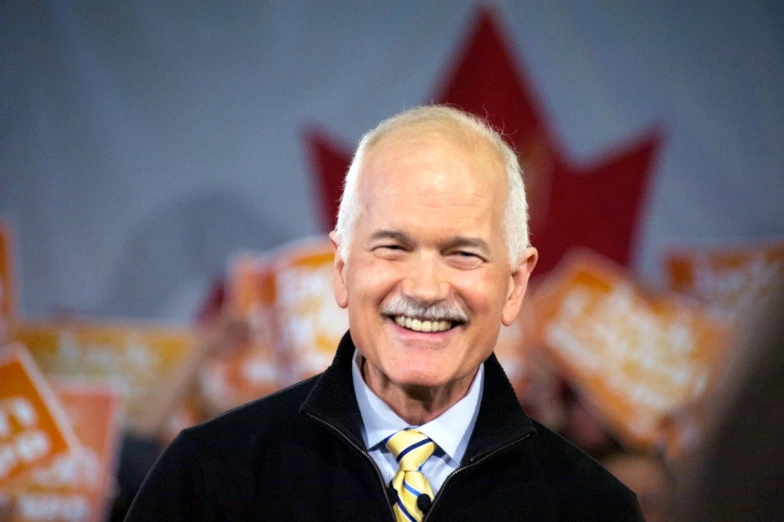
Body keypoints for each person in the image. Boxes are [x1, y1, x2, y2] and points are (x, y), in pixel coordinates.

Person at [126, 105, 641, 521]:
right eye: (392, 247)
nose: (423, 288)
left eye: (462, 253)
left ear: (514, 284)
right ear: (342, 268)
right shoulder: (208, 479)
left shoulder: (594, 510)